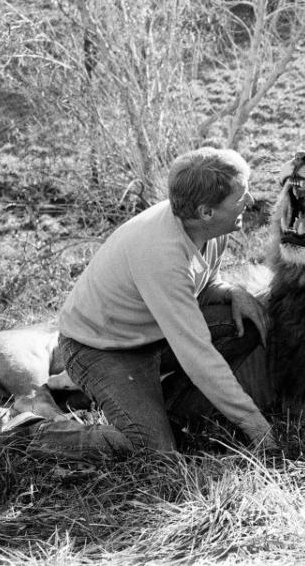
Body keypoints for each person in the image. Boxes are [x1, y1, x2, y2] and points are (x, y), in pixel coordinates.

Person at [20, 146, 275, 458]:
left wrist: (230, 292)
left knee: (243, 324)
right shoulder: (162, 255)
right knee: (154, 448)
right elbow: (197, 354)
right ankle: (29, 432)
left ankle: (167, 413)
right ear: (206, 211)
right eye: (242, 196)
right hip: (100, 350)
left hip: (152, 334)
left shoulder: (210, 226)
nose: (249, 202)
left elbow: (203, 284)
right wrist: (256, 426)